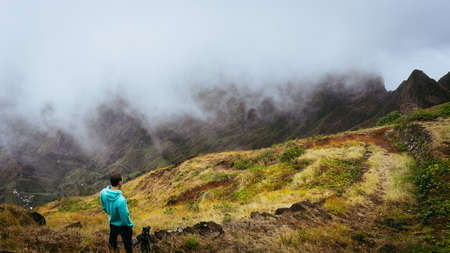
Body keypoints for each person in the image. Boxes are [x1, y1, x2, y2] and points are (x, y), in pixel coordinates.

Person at [100, 173, 134, 253]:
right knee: (128, 246)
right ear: (119, 182)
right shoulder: (121, 200)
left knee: (112, 243)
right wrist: (129, 225)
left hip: (112, 223)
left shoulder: (103, 193)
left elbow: (104, 207)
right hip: (123, 226)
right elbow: (124, 217)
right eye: (121, 180)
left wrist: (112, 214)